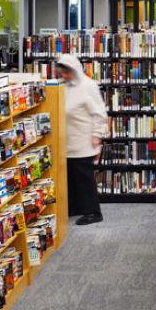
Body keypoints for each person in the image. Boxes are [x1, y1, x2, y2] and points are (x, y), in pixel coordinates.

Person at [55, 54, 108, 225]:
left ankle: (93, 212)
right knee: (71, 177)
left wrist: (98, 135)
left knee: (85, 179)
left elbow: (100, 113)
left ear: (74, 70)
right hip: (67, 142)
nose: (64, 75)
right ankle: (76, 207)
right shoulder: (64, 86)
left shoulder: (88, 86)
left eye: (67, 72)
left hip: (84, 141)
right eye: (62, 72)